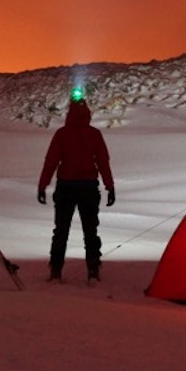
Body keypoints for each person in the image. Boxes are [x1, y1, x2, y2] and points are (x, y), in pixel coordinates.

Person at [37, 96, 115, 281]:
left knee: (61, 230)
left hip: (66, 187)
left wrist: (42, 186)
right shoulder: (94, 134)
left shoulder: (62, 134)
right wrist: (110, 186)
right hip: (88, 187)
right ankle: (93, 271)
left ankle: (56, 270)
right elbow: (103, 162)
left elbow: (51, 163)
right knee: (90, 230)